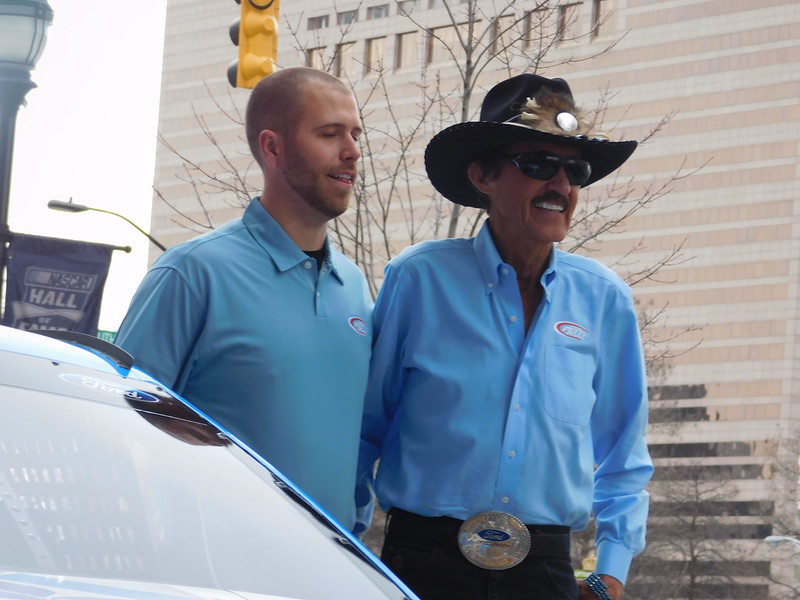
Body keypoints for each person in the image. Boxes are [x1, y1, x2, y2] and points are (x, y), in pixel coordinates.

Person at [357, 73, 654, 600]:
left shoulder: (603, 298)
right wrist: (345, 545)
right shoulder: (419, 279)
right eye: (538, 164)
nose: (560, 185)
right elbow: (364, 431)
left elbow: (624, 452)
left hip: (546, 571)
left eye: (575, 171)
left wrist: (610, 570)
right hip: (422, 561)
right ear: (483, 176)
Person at [116, 67, 372, 532]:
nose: (353, 151)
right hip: (217, 559)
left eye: (355, 134)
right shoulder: (191, 273)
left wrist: (354, 528)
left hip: (331, 562)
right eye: (330, 133)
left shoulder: (354, 286)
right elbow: (123, 424)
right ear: (272, 147)